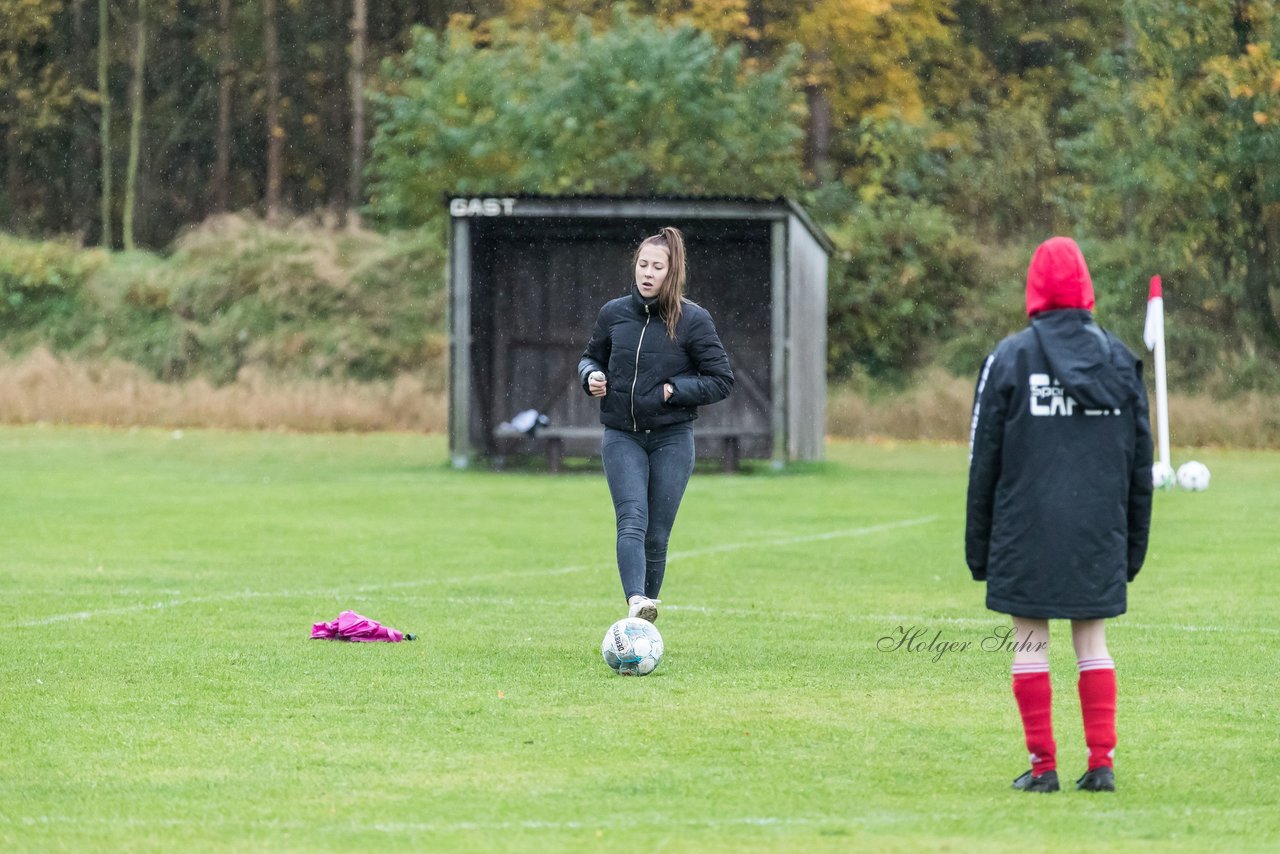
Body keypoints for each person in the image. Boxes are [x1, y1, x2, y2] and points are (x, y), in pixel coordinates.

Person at [965, 236, 1154, 794]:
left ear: (1035, 288)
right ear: (1086, 288)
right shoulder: (1121, 360)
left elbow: (983, 463)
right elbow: (1139, 466)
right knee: (1092, 644)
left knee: (1030, 644)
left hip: (1026, 530)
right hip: (1098, 530)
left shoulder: (1008, 358)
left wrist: (980, 550)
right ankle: (1101, 764)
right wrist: (1132, 549)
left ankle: (1042, 768)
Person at [578, 227, 734, 624]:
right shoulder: (613, 313)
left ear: (672, 272)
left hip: (672, 439)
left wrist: (673, 390)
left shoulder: (694, 320)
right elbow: (589, 357)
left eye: (657, 267)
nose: (647, 273)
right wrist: (590, 376)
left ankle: (639, 624)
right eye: (643, 265)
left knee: (657, 536)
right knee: (632, 518)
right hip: (622, 436)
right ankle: (635, 600)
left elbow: (721, 380)